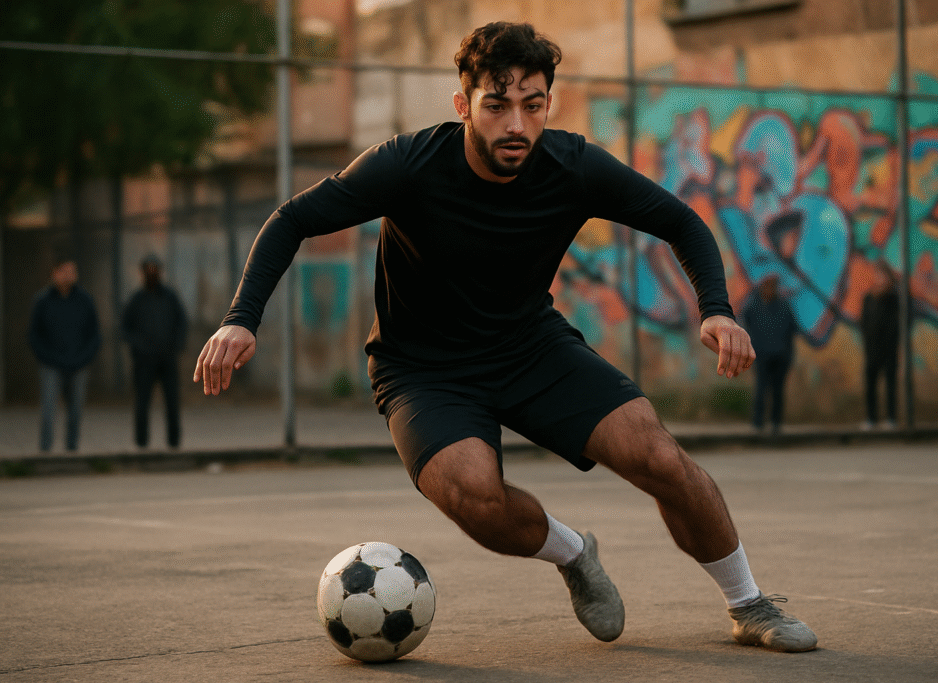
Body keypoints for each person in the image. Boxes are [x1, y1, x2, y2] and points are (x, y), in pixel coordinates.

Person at [195, 22, 816, 652]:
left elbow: (681, 221)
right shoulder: (408, 165)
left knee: (660, 458)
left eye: (532, 104)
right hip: (422, 368)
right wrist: (241, 318)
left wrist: (716, 309)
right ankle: (574, 553)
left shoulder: (573, 166)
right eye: (496, 105)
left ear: (550, 103)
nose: (515, 123)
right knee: (474, 496)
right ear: (464, 105)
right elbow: (292, 219)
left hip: (529, 347)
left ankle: (750, 605)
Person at [27, 259, 101, 452]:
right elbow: (34, 336)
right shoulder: (42, 301)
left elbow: (94, 334)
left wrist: (84, 358)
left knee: (75, 410)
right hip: (51, 365)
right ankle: (45, 450)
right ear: (55, 273)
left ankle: (72, 448)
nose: (69, 275)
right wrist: (48, 358)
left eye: (72, 271)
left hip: (79, 364)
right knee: (49, 409)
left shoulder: (84, 300)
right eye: (64, 271)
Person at [122, 254, 189, 448]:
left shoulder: (170, 297)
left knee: (172, 402)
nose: (152, 273)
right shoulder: (136, 299)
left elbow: (181, 322)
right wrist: (139, 346)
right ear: (143, 272)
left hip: (167, 358)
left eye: (155, 269)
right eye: (148, 269)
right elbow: (125, 328)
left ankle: (174, 442)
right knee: (142, 403)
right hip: (144, 361)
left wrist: (177, 345)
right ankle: (142, 443)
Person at [741, 274, 797, 435]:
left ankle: (776, 423)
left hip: (781, 357)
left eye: (773, 287)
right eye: (768, 287)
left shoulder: (784, 306)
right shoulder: (753, 307)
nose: (770, 290)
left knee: (778, 391)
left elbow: (791, 330)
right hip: (761, 355)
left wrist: (788, 354)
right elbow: (746, 325)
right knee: (761, 389)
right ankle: (758, 423)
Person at [861, 262, 899, 429]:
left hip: (889, 349)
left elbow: (896, 324)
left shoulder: (894, 298)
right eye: (878, 275)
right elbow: (863, 322)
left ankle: (891, 418)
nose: (880, 279)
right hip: (871, 349)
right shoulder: (868, 298)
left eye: (883, 275)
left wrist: (891, 342)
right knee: (870, 386)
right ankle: (871, 419)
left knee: (891, 385)